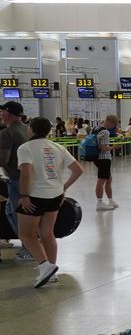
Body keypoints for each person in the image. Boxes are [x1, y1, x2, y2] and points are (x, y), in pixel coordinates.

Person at [17, 117, 83, 288]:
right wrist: (63, 188)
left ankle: (44, 266)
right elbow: (78, 170)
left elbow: (26, 173)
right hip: (55, 195)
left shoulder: (25, 148)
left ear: (31, 129)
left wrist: (23, 195)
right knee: (47, 233)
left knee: (26, 234)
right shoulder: (58, 147)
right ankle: (51, 272)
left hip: (34, 196)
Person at [0, 102, 32, 259]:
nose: (0, 114)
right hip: (30, 178)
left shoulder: (7, 133)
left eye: (2, 111)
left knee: (18, 214)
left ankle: (29, 248)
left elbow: (4, 158)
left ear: (8, 113)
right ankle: (30, 244)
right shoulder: (29, 130)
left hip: (16, 179)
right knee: (10, 211)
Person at [93, 115, 119, 211]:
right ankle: (99, 203)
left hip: (96, 157)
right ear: (110, 122)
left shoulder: (96, 128)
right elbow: (104, 148)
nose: (113, 126)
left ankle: (111, 200)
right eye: (113, 124)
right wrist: (114, 147)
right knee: (102, 180)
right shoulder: (105, 132)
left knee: (108, 179)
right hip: (104, 158)